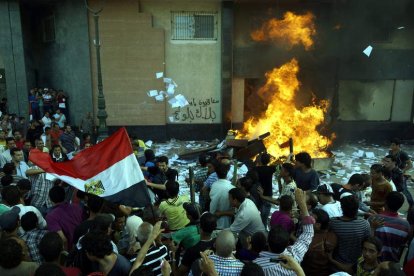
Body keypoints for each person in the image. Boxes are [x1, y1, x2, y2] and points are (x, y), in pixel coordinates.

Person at [254, 188, 315, 276]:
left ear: (267, 242)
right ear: (287, 243)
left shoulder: (257, 265)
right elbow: (308, 234)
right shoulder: (295, 254)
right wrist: (303, 205)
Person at [329, 195, 370, 270]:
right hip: (356, 265)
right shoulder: (364, 224)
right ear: (357, 209)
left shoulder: (333, 222)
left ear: (341, 208)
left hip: (336, 264)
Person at [369, 192, 410, 262]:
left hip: (373, 261)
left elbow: (367, 240)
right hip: (391, 262)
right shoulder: (405, 225)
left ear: (385, 203)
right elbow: (402, 244)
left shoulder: (372, 219)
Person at [46, 186, 83, 251]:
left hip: (71, 250)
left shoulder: (51, 216)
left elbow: (63, 239)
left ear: (50, 199)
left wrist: (66, 254)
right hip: (83, 245)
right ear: (64, 195)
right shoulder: (77, 207)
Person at [302, 208, 337, 276]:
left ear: (318, 225)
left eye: (310, 219)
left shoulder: (310, 240)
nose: (307, 221)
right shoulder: (333, 235)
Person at [253, 152, 277, 225]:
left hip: (257, 193)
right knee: (265, 216)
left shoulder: (255, 169)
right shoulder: (271, 169)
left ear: (260, 160)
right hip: (268, 195)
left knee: (256, 212)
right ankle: (263, 227)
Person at [209, 163, 234, 229]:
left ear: (216, 174)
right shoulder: (232, 187)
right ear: (227, 172)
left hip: (214, 221)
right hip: (227, 223)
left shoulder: (214, 185)